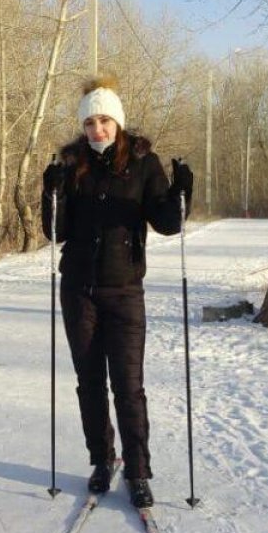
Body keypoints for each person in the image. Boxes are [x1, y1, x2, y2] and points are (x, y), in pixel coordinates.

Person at [40, 76, 193, 509]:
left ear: (118, 121)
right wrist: (50, 192)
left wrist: (182, 190)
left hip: (125, 289)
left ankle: (139, 471)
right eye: (89, 122)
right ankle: (102, 460)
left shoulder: (145, 163)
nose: (97, 130)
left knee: (128, 385)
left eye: (104, 120)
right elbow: (56, 231)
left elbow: (166, 221)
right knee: (89, 383)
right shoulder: (72, 165)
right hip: (79, 290)